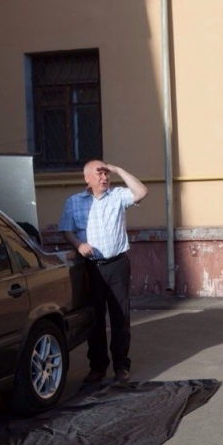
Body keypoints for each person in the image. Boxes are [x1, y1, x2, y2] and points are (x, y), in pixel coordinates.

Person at [59, 160, 148, 384]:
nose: (104, 177)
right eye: (99, 174)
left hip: (117, 264)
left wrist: (118, 169)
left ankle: (121, 365)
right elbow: (67, 230)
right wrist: (78, 244)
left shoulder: (117, 196)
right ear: (87, 178)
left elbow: (141, 192)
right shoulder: (74, 202)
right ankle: (98, 367)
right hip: (91, 268)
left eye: (107, 174)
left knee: (120, 316)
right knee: (95, 318)